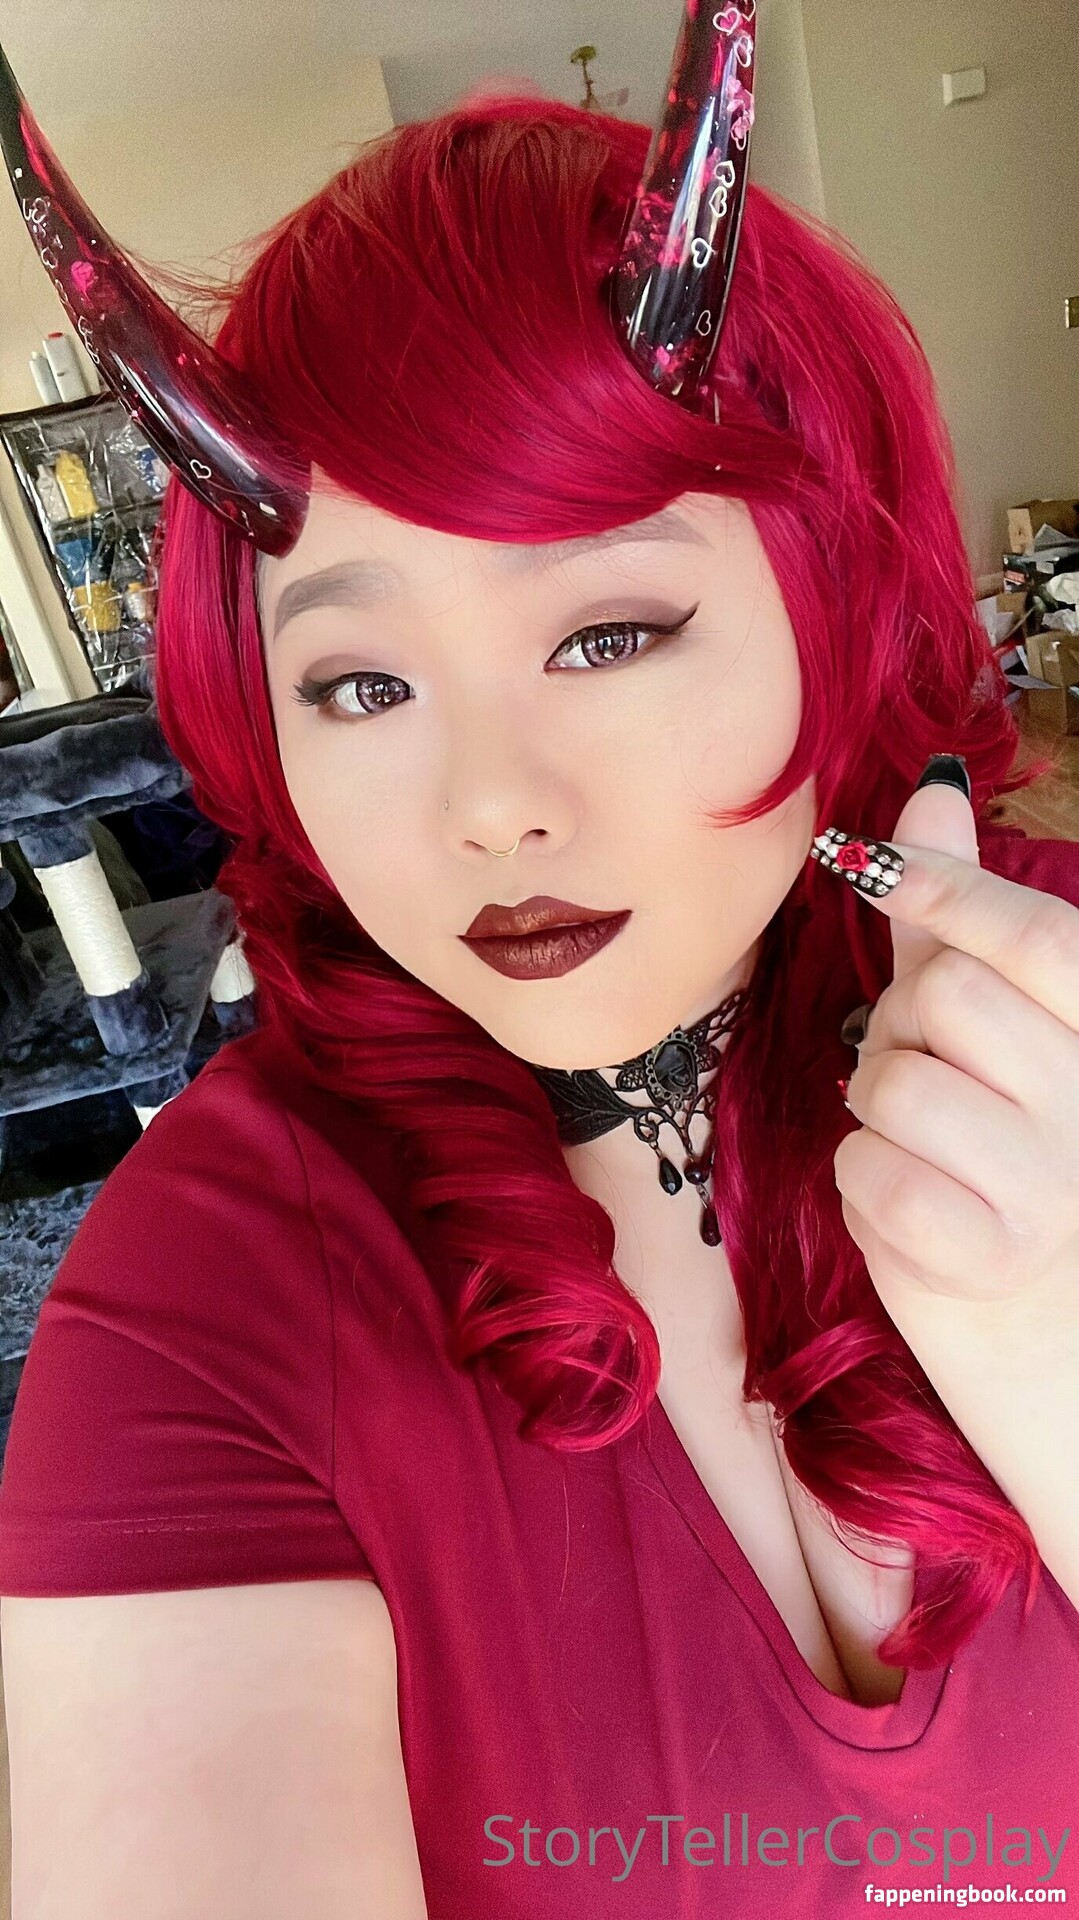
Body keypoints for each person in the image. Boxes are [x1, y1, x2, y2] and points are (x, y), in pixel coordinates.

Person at [1, 7, 1078, 1917]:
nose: (490, 806)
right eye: (361, 682)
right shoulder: (203, 1303)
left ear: (832, 597)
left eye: (608, 633)